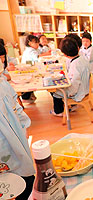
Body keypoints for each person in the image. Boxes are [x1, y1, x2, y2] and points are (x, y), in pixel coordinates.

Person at [0, 57, 35, 200]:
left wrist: (23, 124)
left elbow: (15, 104)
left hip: (15, 136)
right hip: (4, 145)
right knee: (10, 181)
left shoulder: (3, 83)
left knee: (25, 177)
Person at [50, 37, 90, 116]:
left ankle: (59, 111)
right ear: (78, 48)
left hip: (78, 92)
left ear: (65, 55)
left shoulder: (74, 65)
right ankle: (72, 105)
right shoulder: (82, 58)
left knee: (54, 90)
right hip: (85, 88)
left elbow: (74, 84)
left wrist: (70, 93)